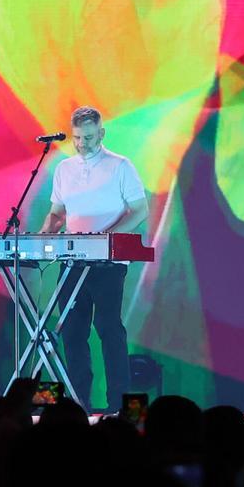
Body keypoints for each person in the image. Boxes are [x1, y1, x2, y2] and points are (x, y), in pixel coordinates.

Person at [39, 106, 148, 413]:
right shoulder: (64, 169)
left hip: (108, 263)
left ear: (101, 133)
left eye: (88, 137)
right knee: (71, 330)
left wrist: (106, 238)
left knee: (109, 328)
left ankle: (123, 409)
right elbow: (58, 213)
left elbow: (139, 210)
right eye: (77, 138)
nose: (82, 144)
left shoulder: (121, 166)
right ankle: (77, 405)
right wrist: (44, 233)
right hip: (72, 261)